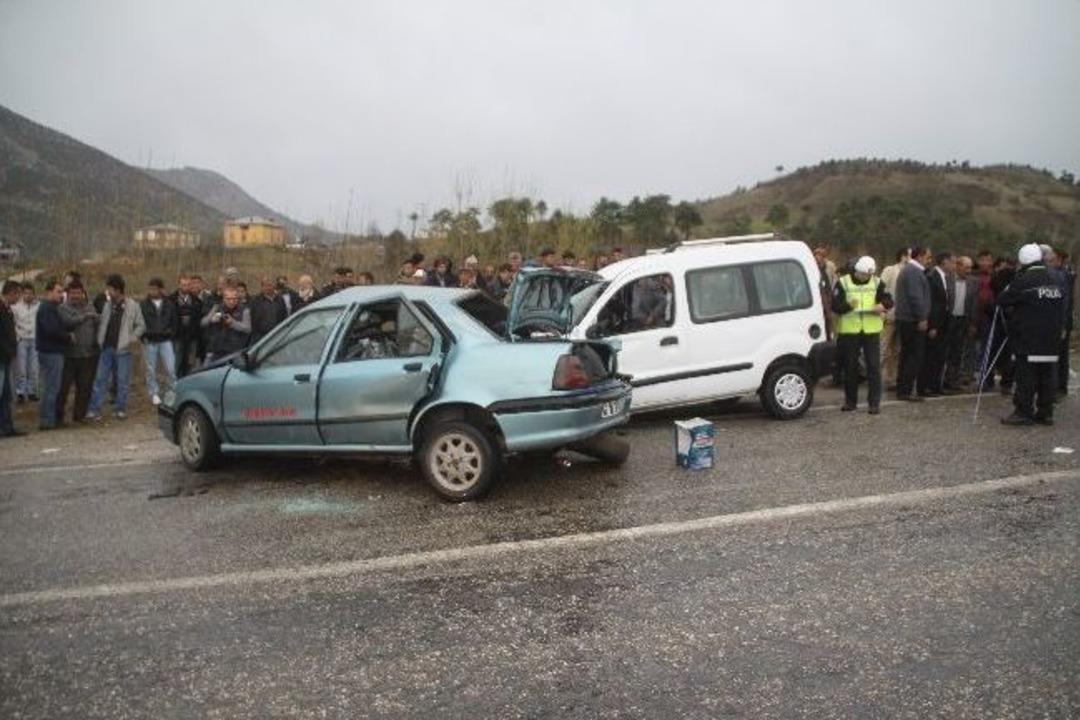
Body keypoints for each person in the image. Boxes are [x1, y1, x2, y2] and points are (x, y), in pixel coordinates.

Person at [998, 244, 1066, 425]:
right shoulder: (1055, 277)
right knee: (1047, 377)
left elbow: (1003, 300)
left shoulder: (1024, 280)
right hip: (1051, 338)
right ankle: (1046, 412)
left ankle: (1023, 412)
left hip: (1029, 338)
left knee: (1026, 377)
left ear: (1022, 260)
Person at [833, 256, 893, 414]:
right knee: (850, 368)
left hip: (871, 331)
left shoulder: (877, 282)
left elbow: (888, 299)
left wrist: (882, 305)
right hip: (849, 331)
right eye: (863, 275)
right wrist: (848, 306)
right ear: (857, 271)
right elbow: (835, 306)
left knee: (873, 367)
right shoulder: (843, 282)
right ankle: (850, 402)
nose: (866, 278)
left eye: (869, 275)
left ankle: (874, 404)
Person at [86, 274, 145, 421]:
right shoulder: (107, 305)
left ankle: (120, 409)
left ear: (118, 290)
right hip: (106, 348)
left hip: (123, 349)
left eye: (111, 290)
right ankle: (94, 410)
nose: (108, 293)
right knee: (100, 379)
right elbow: (104, 323)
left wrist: (132, 338)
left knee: (122, 380)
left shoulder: (133, 306)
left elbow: (141, 325)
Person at [56, 281, 99, 423]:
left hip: (88, 355)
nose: (75, 296)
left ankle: (79, 416)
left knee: (85, 387)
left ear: (82, 293)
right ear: (67, 294)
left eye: (78, 293)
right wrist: (85, 317)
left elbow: (97, 323)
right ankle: (58, 417)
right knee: (63, 388)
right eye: (72, 293)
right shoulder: (62, 308)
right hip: (68, 356)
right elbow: (68, 322)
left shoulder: (90, 306)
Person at [894, 245, 932, 402]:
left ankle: (903, 389)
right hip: (911, 320)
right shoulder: (913, 272)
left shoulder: (911, 271)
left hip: (908, 319)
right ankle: (905, 390)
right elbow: (915, 296)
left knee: (907, 355)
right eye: (928, 257)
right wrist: (922, 317)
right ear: (920, 256)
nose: (930, 260)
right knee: (912, 356)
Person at [919, 252, 955, 397]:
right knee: (930, 356)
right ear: (944, 262)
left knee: (940, 356)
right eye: (952, 262)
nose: (954, 266)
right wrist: (932, 325)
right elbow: (931, 302)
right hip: (935, 322)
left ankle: (935, 385)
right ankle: (925, 386)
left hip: (944, 321)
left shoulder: (946, 278)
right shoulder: (932, 276)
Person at [35, 280, 69, 430]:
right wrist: (67, 336)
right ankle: (48, 420)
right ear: (49, 292)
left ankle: (48, 418)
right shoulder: (47, 308)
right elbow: (51, 330)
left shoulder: (51, 308)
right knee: (51, 387)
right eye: (58, 291)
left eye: (62, 292)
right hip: (51, 351)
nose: (61, 295)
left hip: (51, 351)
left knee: (50, 386)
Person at [140, 278, 178, 407]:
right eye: (150, 288)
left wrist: (171, 333)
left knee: (171, 368)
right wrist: (142, 336)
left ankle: (171, 392)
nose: (152, 291)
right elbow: (139, 323)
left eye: (155, 288)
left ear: (161, 289)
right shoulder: (143, 305)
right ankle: (154, 393)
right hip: (150, 341)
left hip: (166, 340)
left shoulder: (169, 304)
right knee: (150, 369)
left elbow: (175, 322)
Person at [943, 255, 978, 391]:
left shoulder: (973, 282)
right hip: (948, 319)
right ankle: (941, 379)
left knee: (958, 352)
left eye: (970, 267)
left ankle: (953, 380)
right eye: (966, 267)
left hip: (963, 320)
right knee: (945, 350)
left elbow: (974, 304)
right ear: (958, 266)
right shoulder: (947, 279)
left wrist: (973, 324)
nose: (969, 270)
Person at [878, 248, 908, 389]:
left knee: (897, 350)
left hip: (903, 317)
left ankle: (892, 378)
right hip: (889, 315)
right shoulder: (890, 270)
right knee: (883, 348)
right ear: (902, 256)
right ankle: (875, 376)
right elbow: (880, 291)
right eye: (908, 255)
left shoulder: (911, 272)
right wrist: (883, 311)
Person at [1049, 248, 1075, 396]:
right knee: (1061, 356)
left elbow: (1064, 302)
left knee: (1058, 356)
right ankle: (1060, 387)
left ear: (1059, 260)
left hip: (1061, 321)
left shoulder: (1063, 276)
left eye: (1052, 260)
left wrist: (1063, 325)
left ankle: (1057, 387)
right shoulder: (1067, 274)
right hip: (1064, 320)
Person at [201, 287, 251, 362]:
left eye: (234, 299)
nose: (231, 302)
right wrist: (211, 319)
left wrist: (233, 323)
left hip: (235, 351)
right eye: (228, 299)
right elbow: (202, 323)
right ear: (223, 299)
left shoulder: (244, 310)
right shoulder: (217, 307)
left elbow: (248, 329)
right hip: (217, 350)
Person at [0, 280, 22, 437]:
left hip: (6, 358)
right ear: (11, 292)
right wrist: (8, 350)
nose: (18, 297)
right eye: (17, 294)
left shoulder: (7, 309)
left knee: (6, 394)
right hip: (1, 358)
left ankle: (7, 426)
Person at [172, 273, 203, 377]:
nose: (186, 287)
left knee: (190, 364)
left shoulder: (197, 301)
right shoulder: (171, 300)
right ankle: (174, 386)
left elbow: (198, 320)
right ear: (179, 285)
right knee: (176, 363)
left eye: (188, 285)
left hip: (192, 337)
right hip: (177, 337)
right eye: (183, 284)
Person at [12, 282, 39, 403]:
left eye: (30, 293)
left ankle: (32, 391)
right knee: (21, 368)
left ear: (34, 294)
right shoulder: (16, 307)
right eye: (26, 293)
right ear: (22, 294)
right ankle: (21, 392)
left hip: (34, 339)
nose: (28, 295)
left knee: (33, 367)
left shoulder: (38, 306)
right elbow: (13, 322)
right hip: (22, 339)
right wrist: (17, 336)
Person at [249, 276, 281, 344]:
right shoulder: (255, 300)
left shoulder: (280, 300)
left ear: (274, 286)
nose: (268, 288)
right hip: (260, 338)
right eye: (265, 285)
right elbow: (252, 319)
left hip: (277, 336)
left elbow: (284, 317)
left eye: (270, 285)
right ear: (262, 287)